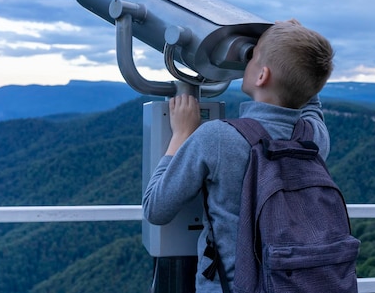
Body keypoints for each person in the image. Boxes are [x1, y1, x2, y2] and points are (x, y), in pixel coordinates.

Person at [142, 19, 335, 292]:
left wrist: (181, 135)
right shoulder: (313, 138)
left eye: (253, 56)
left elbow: (155, 208)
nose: (247, 62)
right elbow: (310, 98)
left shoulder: (217, 138)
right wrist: (299, 55)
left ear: (261, 76)